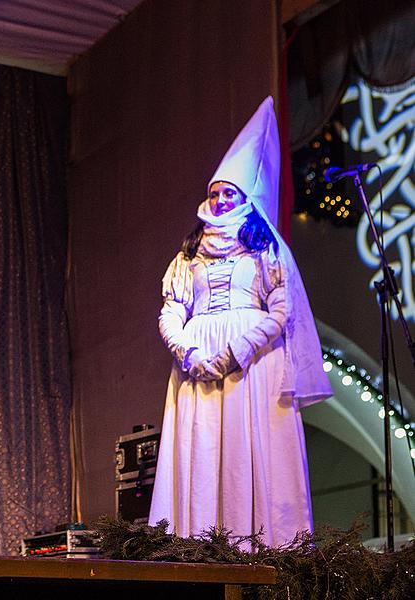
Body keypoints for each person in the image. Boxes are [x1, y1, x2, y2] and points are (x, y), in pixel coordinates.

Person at [148, 97, 331, 546]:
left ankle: (260, 542)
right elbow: (172, 308)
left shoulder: (265, 251)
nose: (220, 198)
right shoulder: (188, 256)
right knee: (203, 453)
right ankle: (197, 544)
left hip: (252, 367)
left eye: (229, 192)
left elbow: (282, 311)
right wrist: (187, 351)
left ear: (246, 198)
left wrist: (238, 350)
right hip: (197, 368)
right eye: (214, 192)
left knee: (248, 453)